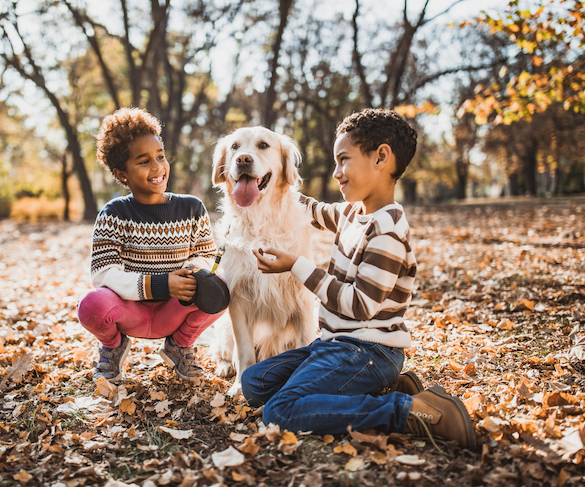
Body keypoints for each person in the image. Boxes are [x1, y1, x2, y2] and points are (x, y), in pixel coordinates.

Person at [242, 108, 476, 449]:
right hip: (337, 345)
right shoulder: (353, 213)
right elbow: (311, 209)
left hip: (369, 350)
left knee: (280, 410)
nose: (336, 172)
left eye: (343, 160)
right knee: (254, 381)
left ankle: (407, 410)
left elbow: (360, 306)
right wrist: (272, 179)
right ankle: (383, 388)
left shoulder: (387, 233)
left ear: (381, 157)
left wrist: (297, 266)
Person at [77, 107, 226, 382]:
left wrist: (191, 273)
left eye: (160, 156)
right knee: (91, 305)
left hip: (175, 309)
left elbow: (206, 254)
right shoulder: (113, 213)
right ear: (122, 173)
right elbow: (103, 273)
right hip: (129, 311)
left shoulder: (192, 207)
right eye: (144, 161)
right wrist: (160, 283)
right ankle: (113, 348)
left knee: (222, 285)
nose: (158, 167)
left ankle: (179, 346)